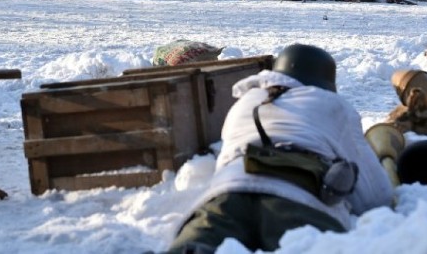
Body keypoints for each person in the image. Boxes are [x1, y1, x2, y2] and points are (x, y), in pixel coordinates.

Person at [166, 44, 393, 253]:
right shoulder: (333, 105)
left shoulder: (244, 102)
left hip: (227, 195)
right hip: (299, 201)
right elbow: (375, 196)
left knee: (192, 245)